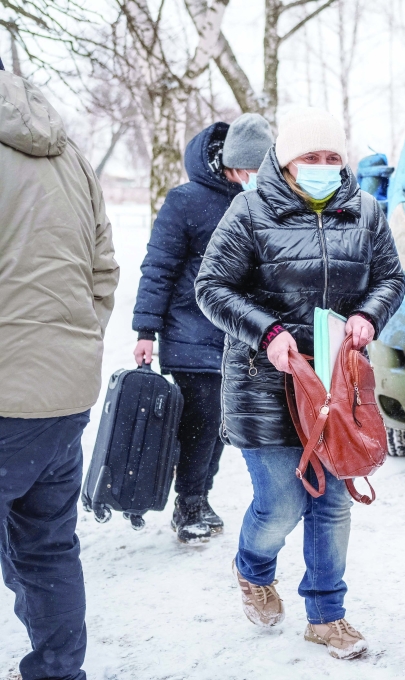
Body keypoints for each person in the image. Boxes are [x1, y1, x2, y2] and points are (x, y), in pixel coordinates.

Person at [195, 107, 405, 660]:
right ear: (286, 161)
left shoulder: (364, 210)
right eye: (310, 157)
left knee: (333, 503)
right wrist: (266, 334)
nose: (323, 165)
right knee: (283, 502)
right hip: (265, 379)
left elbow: (390, 278)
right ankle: (254, 567)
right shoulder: (249, 210)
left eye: (332, 157)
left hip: (337, 383)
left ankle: (326, 615)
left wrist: (369, 315)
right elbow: (212, 287)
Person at [0, 65, 119, 680]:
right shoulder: (68, 152)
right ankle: (56, 670)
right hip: (63, 396)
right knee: (48, 547)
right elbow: (104, 270)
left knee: (43, 547)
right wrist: (70, 344)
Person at [132, 113, 273, 543]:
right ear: (233, 164)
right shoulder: (186, 201)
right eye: (254, 170)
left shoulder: (261, 202)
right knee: (202, 422)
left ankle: (196, 496)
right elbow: (158, 268)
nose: (259, 178)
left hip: (238, 339)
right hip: (190, 333)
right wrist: (145, 331)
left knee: (215, 427)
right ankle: (189, 503)